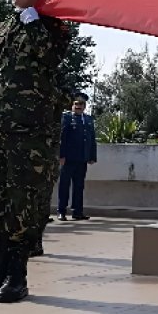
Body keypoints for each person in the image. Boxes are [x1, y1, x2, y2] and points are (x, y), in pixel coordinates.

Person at [0, 0, 71, 303]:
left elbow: (51, 59)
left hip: (31, 132)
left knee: (23, 204)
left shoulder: (53, 25)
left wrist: (34, 22)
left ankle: (18, 276)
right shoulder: (2, 27)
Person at [57, 92, 97, 221]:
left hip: (82, 159)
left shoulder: (88, 119)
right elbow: (62, 137)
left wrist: (92, 156)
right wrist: (61, 155)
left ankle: (77, 211)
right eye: (76, 104)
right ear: (72, 105)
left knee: (79, 186)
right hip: (68, 159)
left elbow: (92, 139)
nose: (78, 106)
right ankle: (61, 211)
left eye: (81, 104)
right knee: (64, 185)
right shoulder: (67, 118)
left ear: (85, 106)